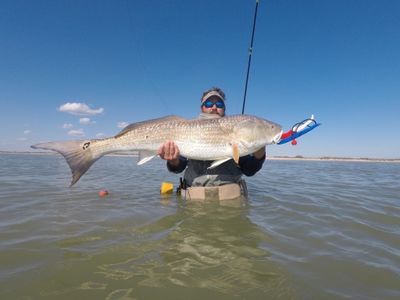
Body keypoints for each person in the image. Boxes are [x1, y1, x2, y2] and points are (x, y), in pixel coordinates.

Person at [157, 87, 266, 200]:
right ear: (202, 108)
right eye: (209, 103)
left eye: (219, 104)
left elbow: (250, 170)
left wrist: (259, 151)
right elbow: (178, 168)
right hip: (193, 204)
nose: (214, 107)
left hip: (230, 203)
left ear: (224, 109)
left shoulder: (237, 131)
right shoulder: (186, 129)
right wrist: (173, 160)